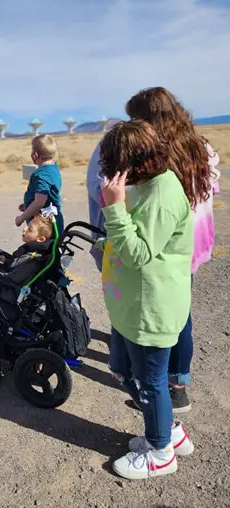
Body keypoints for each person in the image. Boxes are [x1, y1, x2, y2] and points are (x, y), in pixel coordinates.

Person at [87, 87, 217, 412]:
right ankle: (177, 384)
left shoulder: (142, 151)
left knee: (145, 314)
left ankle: (143, 382)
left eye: (135, 116)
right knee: (178, 312)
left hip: (147, 242)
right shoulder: (201, 147)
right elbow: (211, 188)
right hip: (186, 242)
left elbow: (100, 187)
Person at [96, 120, 194, 480]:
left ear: (131, 160)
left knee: (151, 382)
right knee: (123, 370)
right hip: (130, 306)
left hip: (150, 309)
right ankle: (169, 430)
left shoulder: (162, 194)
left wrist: (114, 208)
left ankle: (161, 452)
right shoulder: (142, 186)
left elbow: (138, 254)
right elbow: (129, 242)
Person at [16, 135, 64, 233]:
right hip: (51, 221)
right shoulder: (53, 169)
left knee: (40, 248)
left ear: (35, 155)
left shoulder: (41, 175)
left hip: (44, 227)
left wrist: (21, 218)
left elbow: (39, 203)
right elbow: (46, 197)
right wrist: (28, 205)